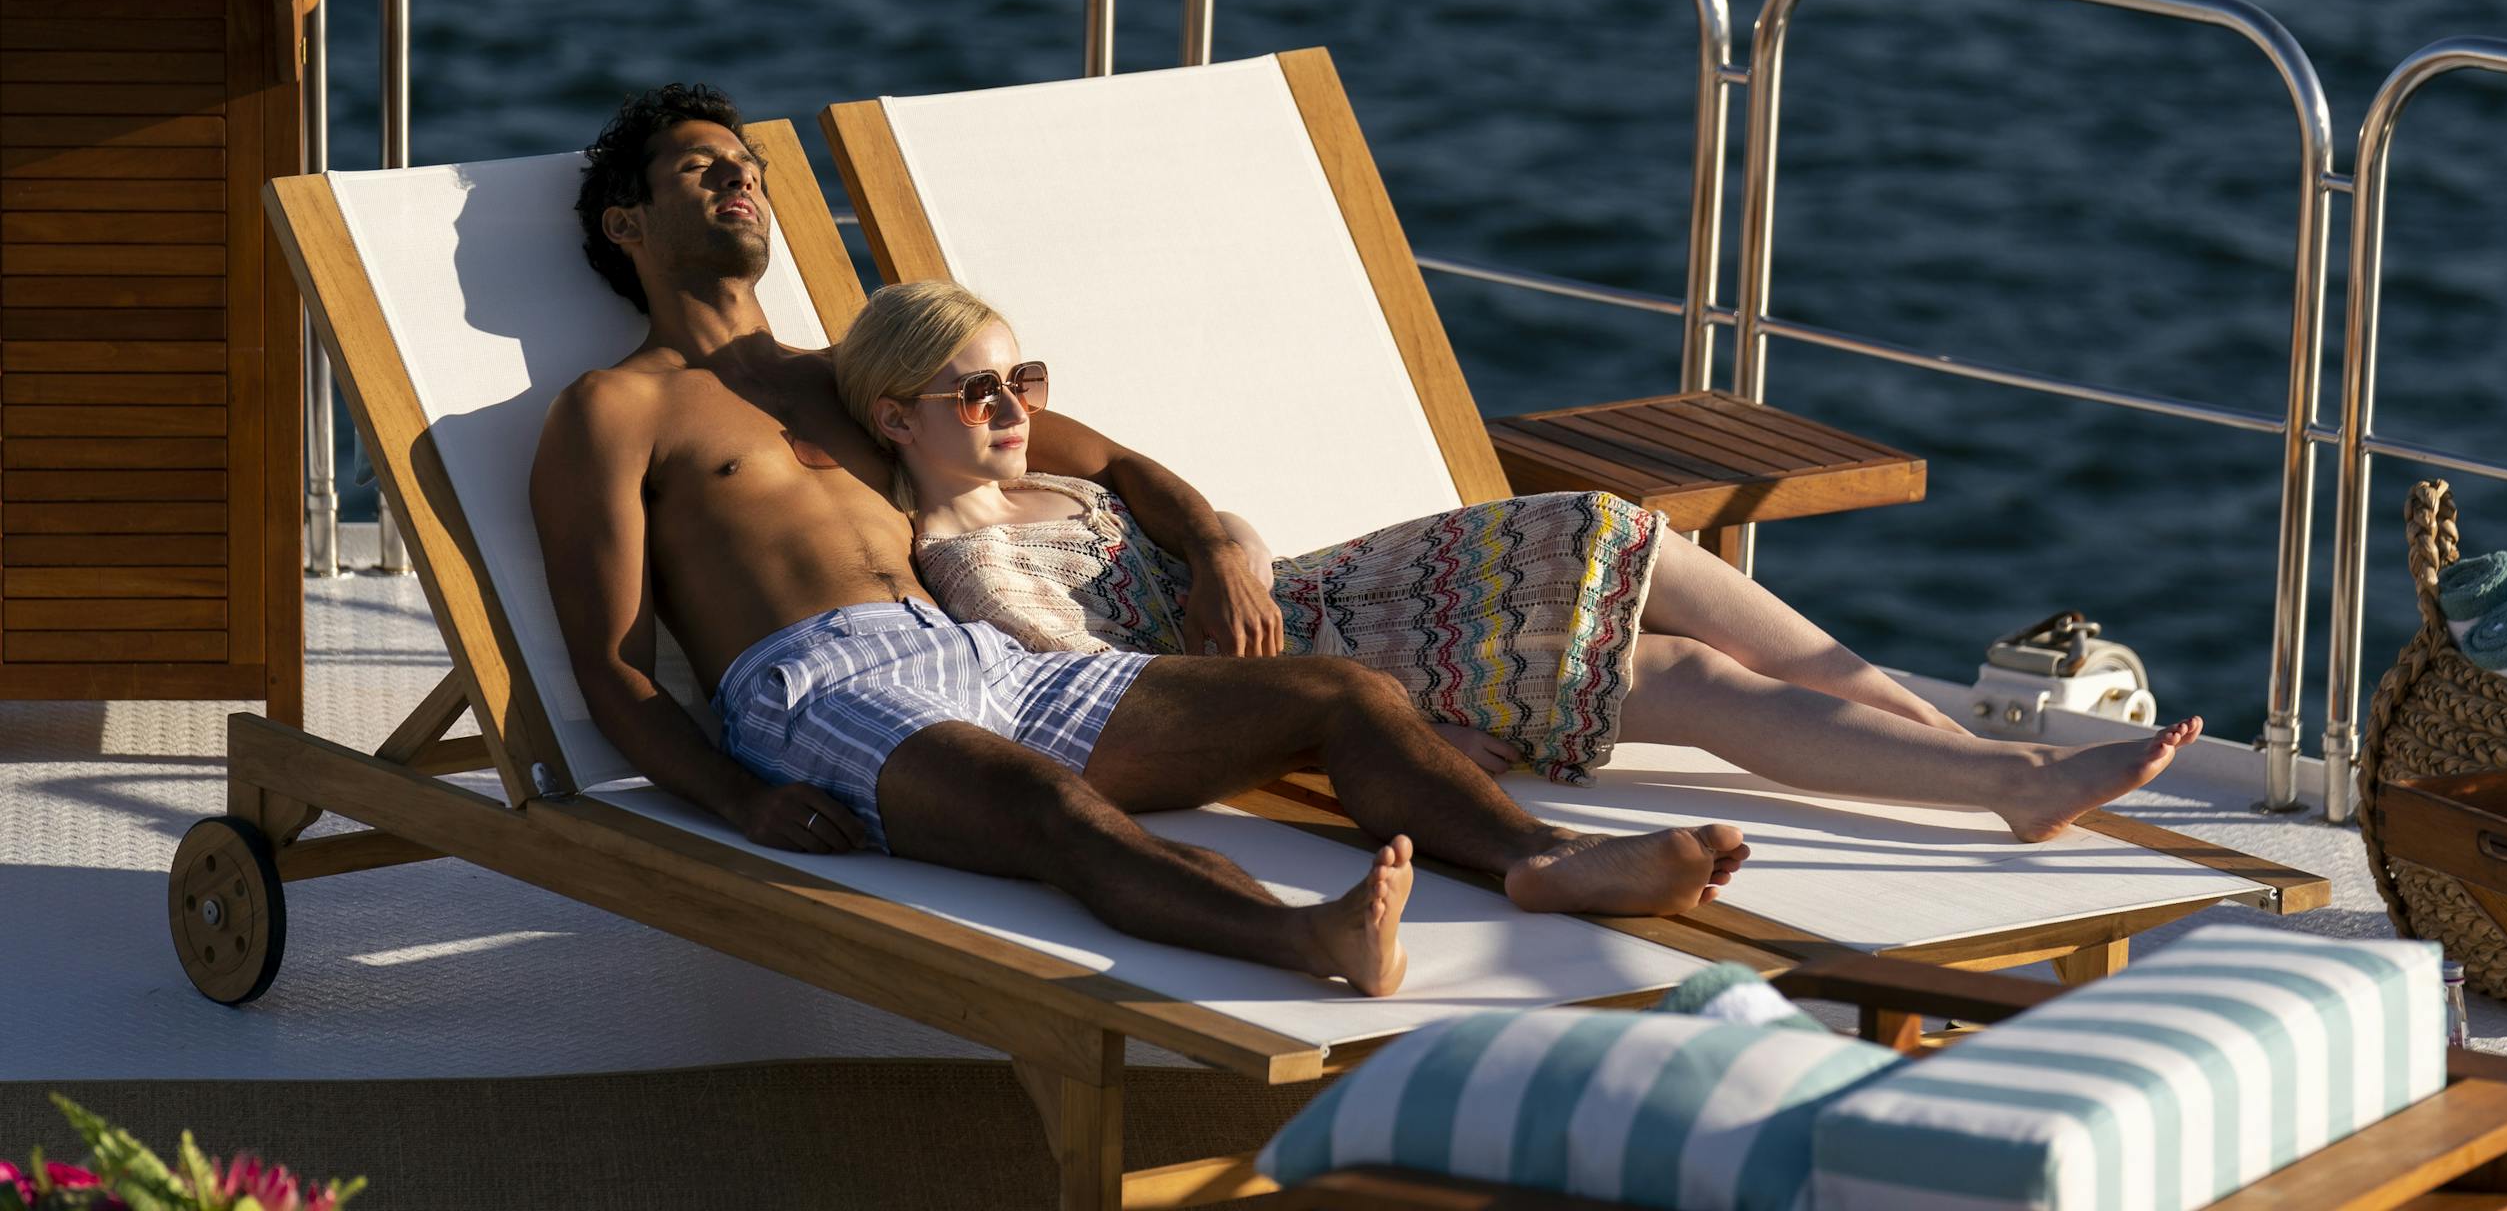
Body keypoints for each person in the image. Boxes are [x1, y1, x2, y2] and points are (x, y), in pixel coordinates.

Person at [528, 83, 1749, 999]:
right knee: (1052, 810)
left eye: (747, 165)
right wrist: (743, 798)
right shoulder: (616, 407)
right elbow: (616, 667)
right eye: (702, 169)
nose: (739, 181)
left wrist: (1213, 541)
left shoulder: (857, 379)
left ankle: (1541, 860)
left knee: (1339, 690)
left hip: (979, 658)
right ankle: (1301, 936)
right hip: (817, 690)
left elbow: (1105, 461)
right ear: (628, 224)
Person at [836, 277, 2204, 844]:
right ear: (897, 416)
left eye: (1020, 377)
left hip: (1323, 587)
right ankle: (2004, 784)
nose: (1010, 408)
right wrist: (1353, 749)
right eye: (976, 394)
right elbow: (1123, 707)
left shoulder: (1054, 474)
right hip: (1326, 665)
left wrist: (1228, 551)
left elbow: (1214, 523)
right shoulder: (960, 559)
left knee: (1604, 527)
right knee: (1660, 672)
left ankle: (1938, 743)